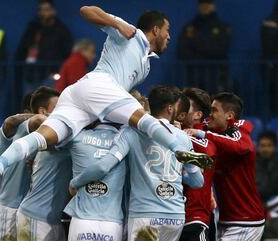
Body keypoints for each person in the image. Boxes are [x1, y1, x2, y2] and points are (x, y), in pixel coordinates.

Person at [0, 5, 212, 204]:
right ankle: (179, 150)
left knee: (44, 137)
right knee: (142, 119)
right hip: (98, 85)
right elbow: (86, 10)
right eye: (167, 30)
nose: (169, 36)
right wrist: (116, 24)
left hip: (79, 96)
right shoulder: (129, 32)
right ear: (155, 30)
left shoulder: (146, 66)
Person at [69, 86, 204, 241]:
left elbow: (104, 165)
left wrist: (75, 182)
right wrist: (187, 170)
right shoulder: (182, 138)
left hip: (145, 214)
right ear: (170, 108)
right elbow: (198, 182)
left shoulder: (131, 132)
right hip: (175, 215)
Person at [186, 92, 265, 240]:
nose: (210, 114)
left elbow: (244, 146)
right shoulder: (212, 130)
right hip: (225, 219)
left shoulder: (238, 128)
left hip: (245, 220)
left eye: (214, 110)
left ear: (229, 115)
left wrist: (202, 134)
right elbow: (192, 126)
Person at [0, 86, 60, 241]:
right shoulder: (18, 130)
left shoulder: (44, 138)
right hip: (7, 209)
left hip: (27, 211)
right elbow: (12, 121)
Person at [64, 121, 125, 241]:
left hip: (82, 221)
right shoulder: (127, 139)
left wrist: (73, 183)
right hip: (112, 223)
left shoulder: (76, 137)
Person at [178, 87, 218, 241]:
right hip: (172, 215)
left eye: (185, 106)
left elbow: (210, 149)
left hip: (194, 218)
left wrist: (175, 134)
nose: (179, 109)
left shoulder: (204, 139)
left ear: (198, 115)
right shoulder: (176, 132)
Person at [15, 0, 73, 93]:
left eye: (46, 10)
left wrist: (57, 71)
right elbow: (22, 48)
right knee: (29, 104)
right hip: (31, 75)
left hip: (50, 76)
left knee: (48, 104)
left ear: (53, 11)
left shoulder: (62, 30)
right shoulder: (32, 28)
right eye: (41, 10)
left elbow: (67, 53)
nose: (43, 13)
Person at [177, 0, 231, 91]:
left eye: (208, 3)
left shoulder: (222, 27)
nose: (205, 6)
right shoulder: (190, 27)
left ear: (213, 6)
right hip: (194, 74)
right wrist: (204, 53)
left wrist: (198, 51)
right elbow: (182, 49)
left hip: (215, 74)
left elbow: (222, 49)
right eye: (202, 4)